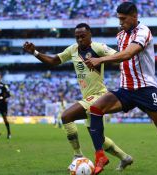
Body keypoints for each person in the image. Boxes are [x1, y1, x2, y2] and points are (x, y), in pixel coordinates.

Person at [85, 2, 157, 175]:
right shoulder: (121, 35)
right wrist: (99, 62)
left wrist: (100, 60)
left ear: (134, 16)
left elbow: (129, 53)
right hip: (125, 90)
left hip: (145, 89)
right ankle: (100, 155)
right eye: (119, 19)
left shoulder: (144, 31)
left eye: (123, 19)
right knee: (95, 109)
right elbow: (121, 59)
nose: (120, 22)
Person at [23, 23, 133, 171]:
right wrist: (35, 53)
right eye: (77, 37)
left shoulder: (98, 48)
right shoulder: (72, 50)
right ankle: (125, 158)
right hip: (88, 96)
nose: (80, 39)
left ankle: (77, 155)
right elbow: (53, 61)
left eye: (83, 36)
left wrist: (102, 60)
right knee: (98, 138)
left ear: (90, 35)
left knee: (66, 116)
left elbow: (120, 57)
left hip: (99, 96)